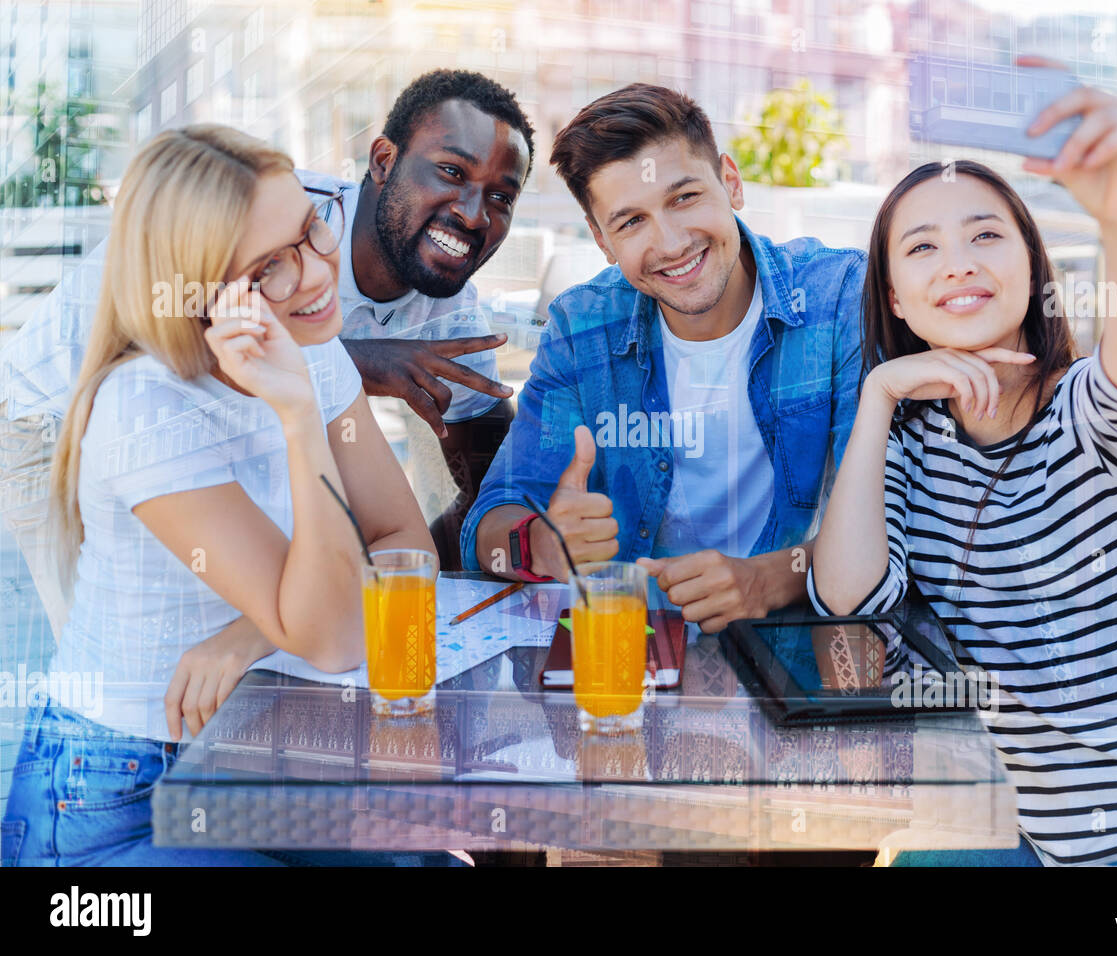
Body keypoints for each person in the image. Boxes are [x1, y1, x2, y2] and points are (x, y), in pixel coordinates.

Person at [810, 84, 1117, 865]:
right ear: (895, 295)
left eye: (986, 235)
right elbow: (847, 601)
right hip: (1051, 848)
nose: (957, 262)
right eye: (921, 246)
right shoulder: (910, 448)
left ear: (1031, 264)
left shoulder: (1086, 413)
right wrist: (878, 394)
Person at [0, 125, 445, 866]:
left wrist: (255, 633)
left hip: (251, 753)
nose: (315, 274)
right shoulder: (146, 406)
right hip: (118, 800)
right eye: (268, 267)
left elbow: (404, 541)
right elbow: (335, 636)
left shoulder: (311, 346)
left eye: (310, 231)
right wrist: (300, 419)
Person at [0, 70, 534, 642]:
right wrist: (362, 359)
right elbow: (177, 343)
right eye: (452, 172)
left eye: (501, 196)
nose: (476, 214)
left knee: (265, 617)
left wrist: (498, 531)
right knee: (130, 640)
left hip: (200, 426)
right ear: (382, 160)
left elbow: (491, 477)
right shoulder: (275, 216)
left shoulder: (447, 306)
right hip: (51, 413)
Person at [460, 84, 865, 633]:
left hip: (794, 655)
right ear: (603, 242)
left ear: (731, 182)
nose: (671, 243)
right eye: (631, 222)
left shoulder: (838, 299)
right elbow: (491, 522)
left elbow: (888, 524)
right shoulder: (584, 328)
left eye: (684, 198)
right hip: (631, 654)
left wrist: (765, 580)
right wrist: (541, 545)